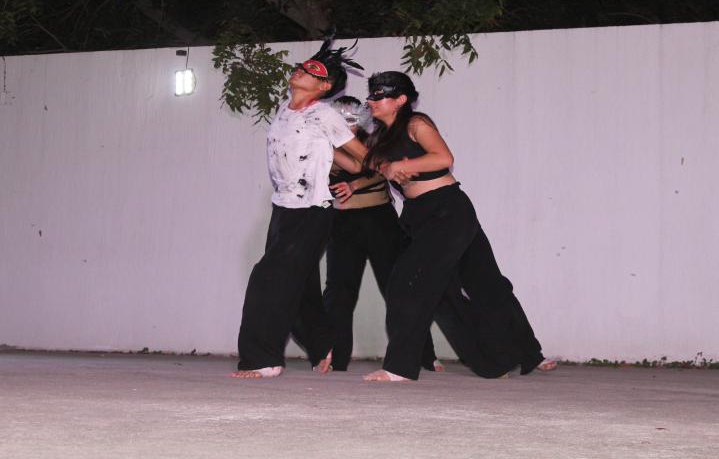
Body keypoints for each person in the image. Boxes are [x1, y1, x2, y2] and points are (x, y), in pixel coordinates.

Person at [360, 71, 556, 382]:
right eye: (371, 94)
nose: (371, 100)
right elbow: (371, 164)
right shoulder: (379, 137)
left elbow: (443, 157)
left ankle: (399, 367)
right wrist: (379, 164)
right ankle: (499, 361)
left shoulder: (416, 124)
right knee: (479, 284)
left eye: (379, 94)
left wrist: (402, 166)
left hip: (447, 210)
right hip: (418, 216)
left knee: (410, 283)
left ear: (400, 100)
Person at [230, 39, 368, 379]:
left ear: (324, 86)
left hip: (311, 210)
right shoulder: (284, 108)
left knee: (268, 280)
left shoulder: (324, 113)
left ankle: (264, 360)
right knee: (301, 286)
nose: (300, 70)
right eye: (301, 66)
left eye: (311, 70)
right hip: (283, 209)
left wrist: (353, 174)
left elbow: (362, 160)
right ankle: (325, 348)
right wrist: (324, 151)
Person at [324, 96, 441, 373]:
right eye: (343, 119)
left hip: (379, 218)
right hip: (342, 222)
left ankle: (424, 354)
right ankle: (334, 358)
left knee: (398, 287)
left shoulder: (376, 140)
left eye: (353, 119)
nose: (349, 125)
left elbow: (385, 171)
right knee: (339, 291)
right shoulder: (324, 143)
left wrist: (355, 184)